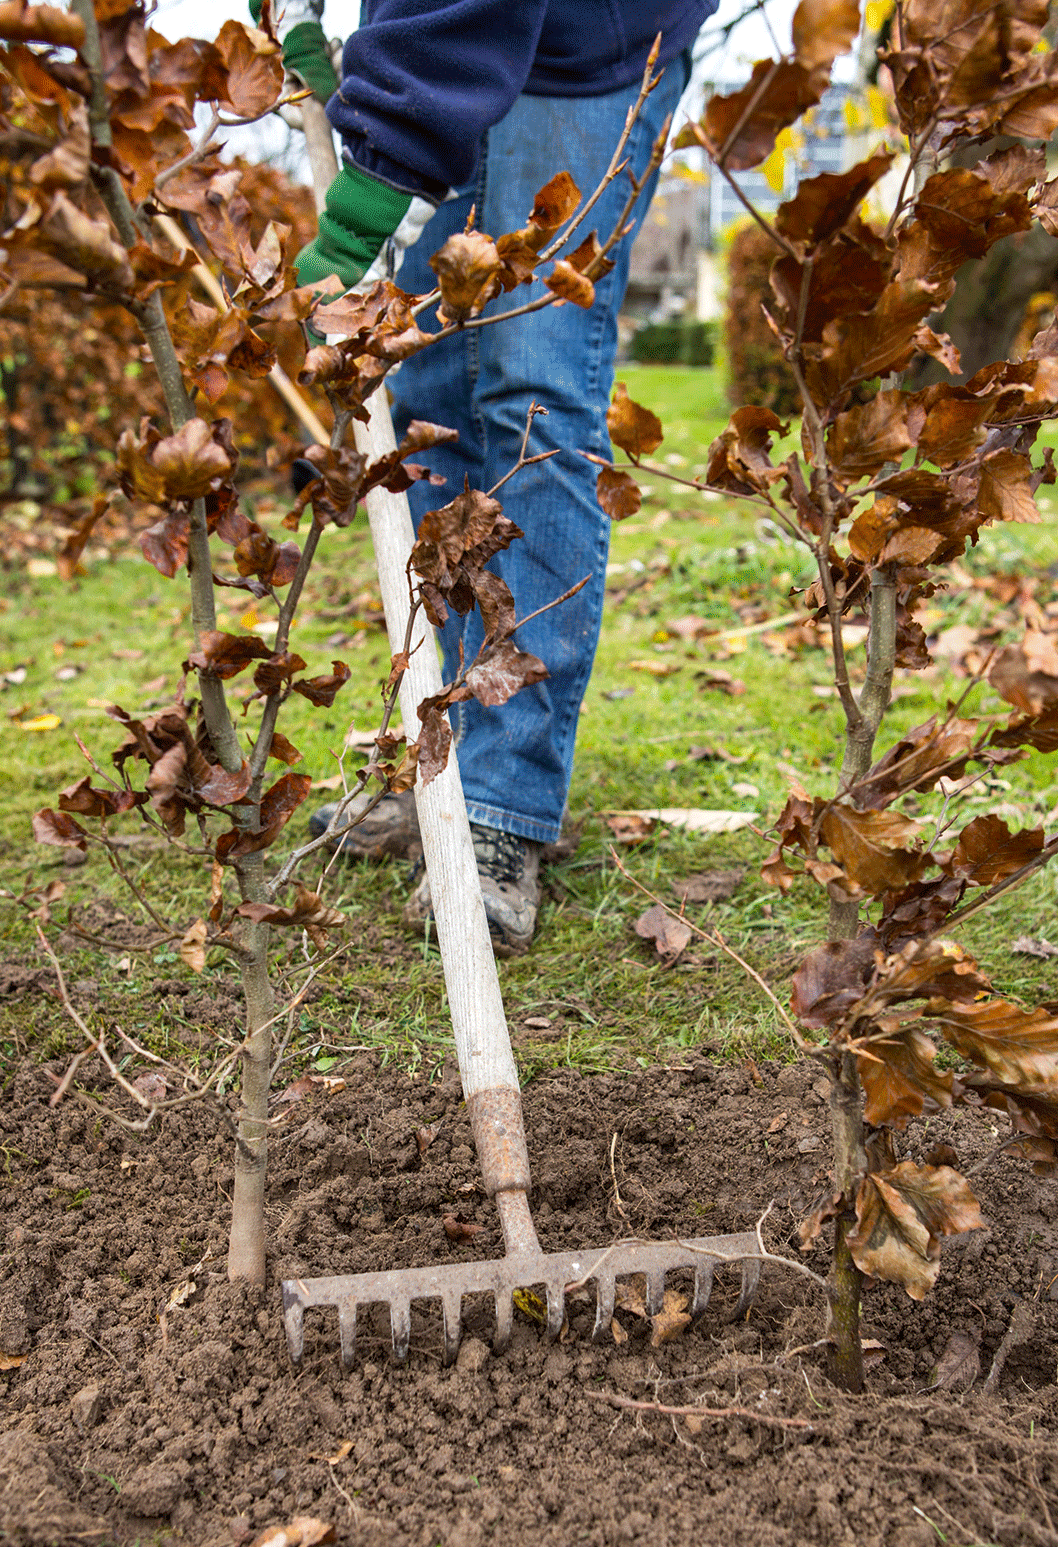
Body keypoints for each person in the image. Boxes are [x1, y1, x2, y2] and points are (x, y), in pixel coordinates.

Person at [282, 0, 710, 955]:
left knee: (533, 384)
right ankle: (443, 762)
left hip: (582, 47)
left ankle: (503, 805)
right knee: (429, 382)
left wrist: (381, 164)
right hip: (455, 43)